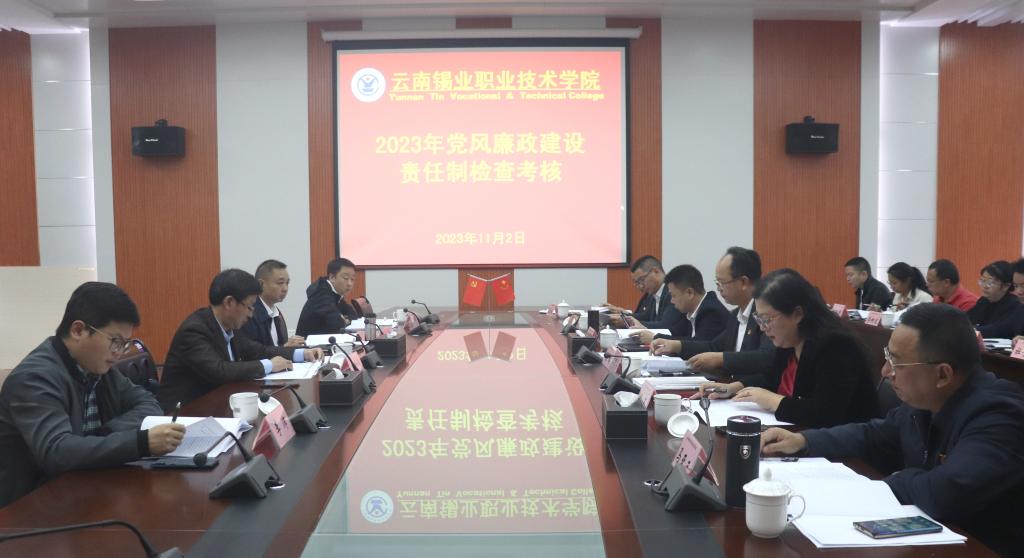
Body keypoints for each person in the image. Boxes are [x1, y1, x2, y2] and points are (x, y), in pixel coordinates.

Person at [761, 304, 1024, 556]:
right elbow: (872, 435)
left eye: (896, 363)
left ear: (943, 374)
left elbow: (946, 492)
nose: (885, 372)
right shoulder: (925, 401)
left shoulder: (999, 415)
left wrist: (896, 480)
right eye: (887, 357)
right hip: (931, 539)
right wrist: (803, 440)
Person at [0, 282, 185, 507]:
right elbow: (57, 451)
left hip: (81, 488)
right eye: (115, 341)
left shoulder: (96, 367)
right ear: (78, 330)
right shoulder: (34, 378)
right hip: (29, 507)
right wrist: (141, 442)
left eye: (125, 344)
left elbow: (148, 403)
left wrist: (103, 437)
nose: (119, 353)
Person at [699, 269, 878, 427]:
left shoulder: (836, 347)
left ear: (797, 314)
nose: (762, 328)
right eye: (759, 319)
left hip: (843, 448)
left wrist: (773, 400)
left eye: (767, 319)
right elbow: (771, 378)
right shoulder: (790, 342)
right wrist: (734, 387)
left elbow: (825, 414)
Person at [159, 269, 323, 411]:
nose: (251, 314)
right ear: (229, 302)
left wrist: (302, 353)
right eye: (249, 307)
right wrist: (269, 365)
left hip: (220, 405)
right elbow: (219, 371)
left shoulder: (229, 327)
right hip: (186, 415)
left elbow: (259, 350)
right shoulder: (195, 330)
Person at [650, 247, 775, 376]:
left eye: (722, 283)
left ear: (743, 282)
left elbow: (766, 357)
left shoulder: (765, 315)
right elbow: (713, 347)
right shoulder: (735, 316)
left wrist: (721, 359)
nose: (719, 289)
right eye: (717, 283)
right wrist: (676, 346)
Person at [634, 264, 731, 343]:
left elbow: (698, 345)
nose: (671, 301)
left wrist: (655, 338)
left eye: (673, 296)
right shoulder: (689, 312)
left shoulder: (711, 311)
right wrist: (648, 331)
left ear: (690, 293)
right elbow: (674, 333)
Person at [239, 259, 304, 347]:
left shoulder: (277, 313)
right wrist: (285, 348)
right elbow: (253, 351)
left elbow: (279, 345)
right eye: (280, 283)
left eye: (287, 283)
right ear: (261, 284)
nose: (285, 289)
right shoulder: (249, 313)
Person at [296, 258, 361, 337]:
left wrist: (344, 319)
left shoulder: (335, 294)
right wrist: (343, 319)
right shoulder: (321, 294)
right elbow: (337, 323)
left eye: (352, 279)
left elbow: (353, 316)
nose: (349, 284)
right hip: (308, 343)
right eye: (346, 278)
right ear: (332, 277)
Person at [967, 260, 1022, 339]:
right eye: (983, 280)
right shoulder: (983, 301)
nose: (985, 286)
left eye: (990, 282)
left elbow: (998, 329)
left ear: (1006, 286)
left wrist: (969, 330)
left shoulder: (1014, 304)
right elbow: (966, 319)